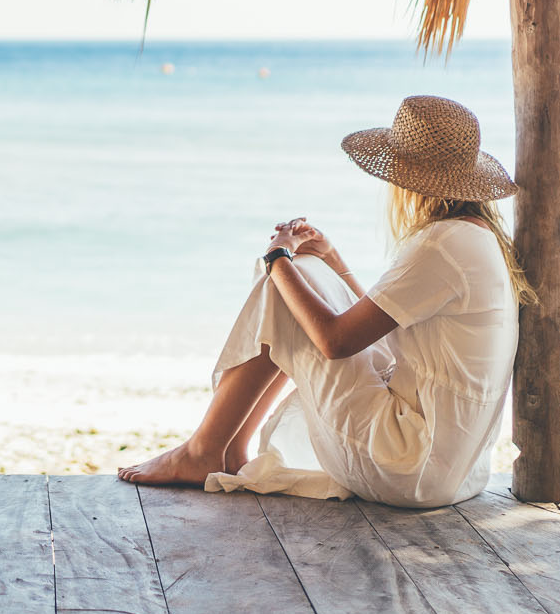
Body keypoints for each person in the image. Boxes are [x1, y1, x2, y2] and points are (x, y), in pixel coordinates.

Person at [118, 94, 536, 508]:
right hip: (452, 472)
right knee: (305, 277)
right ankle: (228, 448)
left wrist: (277, 258)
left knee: (284, 287)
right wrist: (333, 261)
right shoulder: (475, 236)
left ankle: (203, 451)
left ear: (406, 176)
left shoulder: (442, 244)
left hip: (407, 467)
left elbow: (335, 341)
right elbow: (388, 328)